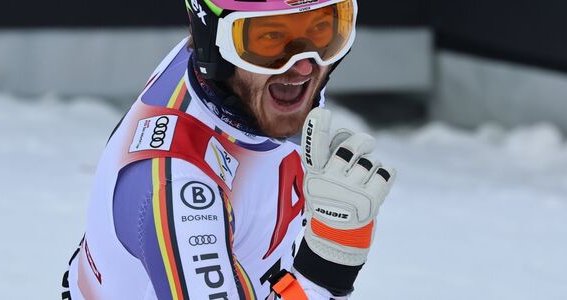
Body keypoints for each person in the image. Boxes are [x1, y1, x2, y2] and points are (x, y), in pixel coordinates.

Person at [61, 0, 396, 299]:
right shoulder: (181, 192)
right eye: (271, 37)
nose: (304, 66)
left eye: (324, 30)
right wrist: (326, 267)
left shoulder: (241, 78)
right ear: (214, 42)